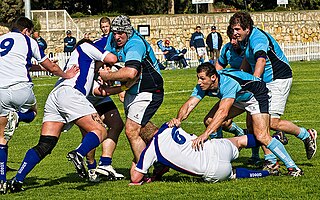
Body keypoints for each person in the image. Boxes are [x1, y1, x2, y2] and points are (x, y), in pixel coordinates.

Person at [7, 39, 117, 193]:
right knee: (101, 130)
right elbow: (112, 58)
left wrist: (124, 87)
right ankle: (78, 154)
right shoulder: (85, 47)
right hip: (70, 94)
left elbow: (101, 91)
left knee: (45, 144)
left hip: (55, 95)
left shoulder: (82, 67)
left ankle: (17, 180)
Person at [169, 62, 304, 177]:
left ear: (213, 77)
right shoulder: (204, 85)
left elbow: (223, 112)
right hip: (239, 97)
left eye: (202, 79)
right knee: (210, 121)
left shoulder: (228, 84)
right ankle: (219, 155)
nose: (199, 82)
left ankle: (293, 167)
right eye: (198, 78)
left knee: (262, 135)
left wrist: (205, 134)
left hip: (257, 96)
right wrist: (178, 119)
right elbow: (190, 104)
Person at [0, 16, 79, 194]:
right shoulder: (28, 41)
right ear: (26, 31)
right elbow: (51, 67)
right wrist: (65, 74)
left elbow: (21, 64)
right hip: (21, 88)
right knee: (33, 112)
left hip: (0, 91)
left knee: (1, 137)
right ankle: (19, 116)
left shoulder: (1, 40)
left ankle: (1, 181)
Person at [229, 11, 317, 171]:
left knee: (270, 122)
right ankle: (270, 160)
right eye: (233, 29)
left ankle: (305, 135)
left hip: (278, 79)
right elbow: (247, 61)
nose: (234, 33)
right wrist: (239, 78)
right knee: (255, 118)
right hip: (265, 82)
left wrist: (253, 83)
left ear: (247, 28)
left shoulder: (258, 38)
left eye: (237, 29)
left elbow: (261, 60)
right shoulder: (245, 40)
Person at [98, 15, 164, 165]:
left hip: (149, 90)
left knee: (131, 129)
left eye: (120, 33)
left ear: (128, 32)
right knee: (143, 129)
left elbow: (131, 73)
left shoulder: (135, 44)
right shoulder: (112, 38)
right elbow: (106, 58)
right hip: (132, 90)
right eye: (114, 33)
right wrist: (106, 69)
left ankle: (142, 170)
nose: (116, 37)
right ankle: (163, 155)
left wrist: (109, 75)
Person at [130, 123, 272, 185]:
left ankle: (267, 173)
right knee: (239, 141)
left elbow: (136, 178)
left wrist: (136, 156)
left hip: (212, 170)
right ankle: (274, 140)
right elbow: (164, 166)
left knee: (233, 173)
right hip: (214, 148)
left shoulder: (151, 149)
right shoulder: (168, 126)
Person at [84, 16, 125, 182]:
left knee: (116, 124)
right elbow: (101, 65)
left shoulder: (109, 43)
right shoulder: (101, 43)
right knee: (94, 130)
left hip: (99, 90)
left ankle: (105, 164)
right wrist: (122, 86)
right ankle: (91, 168)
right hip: (89, 91)